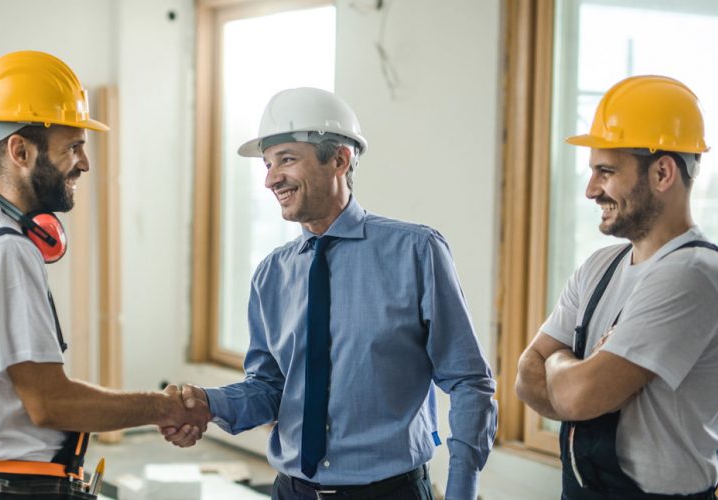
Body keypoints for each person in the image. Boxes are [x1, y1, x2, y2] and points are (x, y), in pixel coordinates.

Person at [163, 87, 497, 500]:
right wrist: (207, 404)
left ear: (339, 159)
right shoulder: (272, 274)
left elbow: (468, 381)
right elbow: (270, 387)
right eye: (267, 165)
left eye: (286, 159)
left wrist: (462, 490)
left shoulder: (416, 252)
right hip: (291, 491)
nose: (271, 179)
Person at [0, 51, 209, 499]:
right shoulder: (4, 253)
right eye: (72, 147)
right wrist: (162, 406)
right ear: (20, 150)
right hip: (9, 487)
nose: (85, 163)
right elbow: (49, 402)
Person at [514, 75, 718, 499]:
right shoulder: (599, 267)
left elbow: (580, 398)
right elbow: (526, 376)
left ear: (662, 172)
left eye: (606, 171)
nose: (590, 190)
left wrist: (560, 365)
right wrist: (573, 368)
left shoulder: (696, 274)